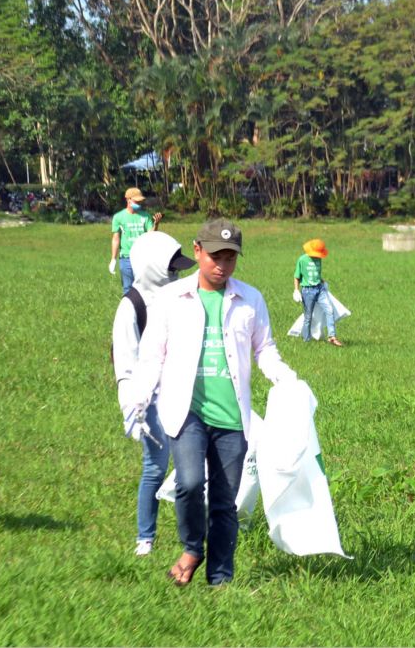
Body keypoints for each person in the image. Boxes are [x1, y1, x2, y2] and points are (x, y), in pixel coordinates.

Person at [120, 218, 300, 587]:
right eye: (215, 256)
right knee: (187, 483)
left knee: (224, 502)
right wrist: (137, 400)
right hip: (186, 412)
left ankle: (221, 580)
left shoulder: (250, 299)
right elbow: (152, 354)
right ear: (197, 251)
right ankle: (192, 547)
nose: (222, 265)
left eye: (230, 258)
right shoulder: (172, 299)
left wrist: (285, 377)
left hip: (232, 416)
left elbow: (264, 349)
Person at [111, 231, 196, 557]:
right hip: (149, 401)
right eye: (171, 269)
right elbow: (125, 361)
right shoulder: (131, 306)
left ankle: (191, 534)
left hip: (183, 392)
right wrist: (132, 406)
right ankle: (145, 537)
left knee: (191, 469)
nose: (177, 274)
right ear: (152, 267)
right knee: (155, 467)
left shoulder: (178, 298)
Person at [109, 187, 162, 294]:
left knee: (144, 289)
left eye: (140, 201)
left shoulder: (145, 216)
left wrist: (156, 224)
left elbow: (150, 235)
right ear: (128, 200)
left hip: (142, 258)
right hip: (126, 258)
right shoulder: (118, 217)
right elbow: (116, 238)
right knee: (128, 289)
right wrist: (113, 259)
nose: (139, 203)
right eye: (136, 201)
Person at [292, 238, 343, 346]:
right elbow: (297, 276)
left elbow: (316, 274)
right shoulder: (302, 260)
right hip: (308, 291)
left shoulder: (319, 259)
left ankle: (332, 336)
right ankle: (307, 340)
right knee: (308, 316)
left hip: (320, 289)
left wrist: (322, 281)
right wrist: (296, 290)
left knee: (329, 310)